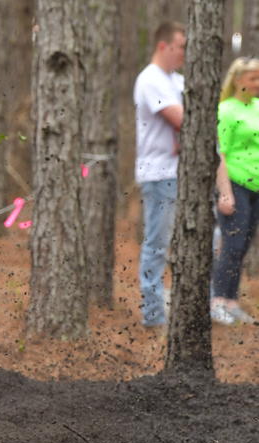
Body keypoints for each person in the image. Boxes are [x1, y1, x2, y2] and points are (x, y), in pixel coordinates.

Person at [133, 21, 186, 327]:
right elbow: (181, 119)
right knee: (156, 244)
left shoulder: (177, 80)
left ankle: (180, 307)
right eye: (180, 47)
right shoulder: (150, 79)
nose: (184, 53)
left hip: (180, 172)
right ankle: (153, 315)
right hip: (159, 173)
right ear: (163, 46)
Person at [212, 58, 259, 325]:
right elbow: (221, 154)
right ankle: (218, 300)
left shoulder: (257, 106)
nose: (257, 83)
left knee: (244, 246)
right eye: (253, 78)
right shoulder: (226, 110)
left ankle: (231, 302)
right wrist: (225, 192)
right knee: (232, 244)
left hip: (256, 187)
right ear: (238, 79)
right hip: (236, 183)